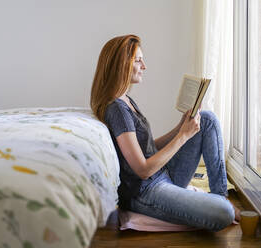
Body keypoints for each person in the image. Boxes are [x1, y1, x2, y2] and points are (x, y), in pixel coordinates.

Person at [90, 34, 239, 232]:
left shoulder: (125, 100)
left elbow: (148, 147)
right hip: (146, 192)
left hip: (163, 174)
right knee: (224, 213)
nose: (144, 66)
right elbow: (142, 170)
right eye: (138, 60)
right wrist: (183, 136)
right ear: (122, 64)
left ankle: (220, 195)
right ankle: (220, 205)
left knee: (208, 119)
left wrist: (180, 127)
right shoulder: (116, 109)